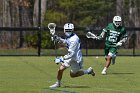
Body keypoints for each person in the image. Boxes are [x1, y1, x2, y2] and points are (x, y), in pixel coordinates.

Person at [49, 23, 95, 88]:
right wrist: (58, 39)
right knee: (60, 69)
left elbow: (71, 54)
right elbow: (66, 42)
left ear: (72, 30)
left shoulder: (74, 39)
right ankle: (58, 83)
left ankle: (88, 71)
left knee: (72, 75)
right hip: (69, 57)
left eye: (69, 30)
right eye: (67, 30)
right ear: (64, 30)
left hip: (76, 59)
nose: (68, 31)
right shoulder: (69, 37)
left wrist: (61, 59)